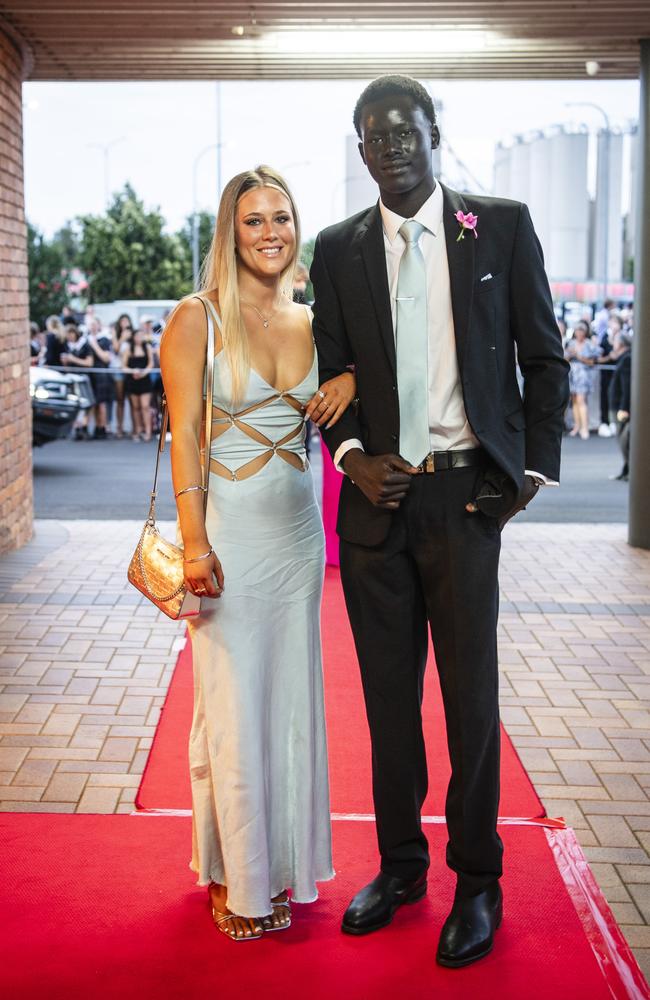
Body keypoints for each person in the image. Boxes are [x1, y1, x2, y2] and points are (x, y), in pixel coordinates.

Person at [308, 75, 569, 968]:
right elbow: (331, 379)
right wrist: (350, 457)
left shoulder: (498, 225)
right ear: (361, 150)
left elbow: (545, 356)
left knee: (468, 706)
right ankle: (401, 866)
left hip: (466, 503)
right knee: (386, 708)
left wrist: (529, 471)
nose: (391, 149)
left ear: (434, 132)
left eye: (404, 133)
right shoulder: (336, 249)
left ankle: (479, 879)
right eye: (373, 138)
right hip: (377, 509)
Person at [160, 166, 354, 942]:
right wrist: (195, 543)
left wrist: (347, 379)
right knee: (233, 709)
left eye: (281, 217)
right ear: (229, 232)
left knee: (288, 706)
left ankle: (281, 865)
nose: (270, 231)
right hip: (227, 538)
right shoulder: (195, 317)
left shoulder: (315, 322)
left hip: (298, 539)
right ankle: (235, 877)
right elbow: (184, 438)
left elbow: (349, 390)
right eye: (253, 221)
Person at [565, 319, 601, 440]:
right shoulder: (571, 344)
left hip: (584, 376)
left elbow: (592, 361)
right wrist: (570, 355)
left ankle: (585, 427)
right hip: (572, 374)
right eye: (577, 331)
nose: (579, 333)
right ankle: (577, 425)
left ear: (585, 332)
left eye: (581, 331)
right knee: (574, 401)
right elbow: (565, 359)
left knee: (581, 401)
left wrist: (578, 356)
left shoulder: (589, 344)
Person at [121, 328, 154, 441]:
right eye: (137, 336)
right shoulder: (128, 349)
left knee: (145, 406)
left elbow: (151, 364)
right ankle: (138, 429)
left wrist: (143, 373)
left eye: (141, 336)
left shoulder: (147, 347)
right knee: (135, 407)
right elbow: (123, 366)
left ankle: (148, 431)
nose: (139, 338)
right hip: (132, 380)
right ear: (133, 337)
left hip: (145, 380)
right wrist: (133, 372)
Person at [608, 331, 632, 481]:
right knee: (624, 441)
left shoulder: (627, 359)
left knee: (625, 441)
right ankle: (626, 470)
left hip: (620, 407)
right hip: (619, 406)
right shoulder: (625, 358)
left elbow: (627, 386)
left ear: (621, 343)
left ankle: (630, 471)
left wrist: (624, 408)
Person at [111, 313, 134, 438]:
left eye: (127, 321)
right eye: (123, 321)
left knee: (132, 400)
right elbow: (115, 349)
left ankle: (133, 428)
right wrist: (122, 338)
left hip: (129, 369)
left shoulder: (133, 334)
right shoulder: (116, 334)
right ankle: (119, 427)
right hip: (118, 369)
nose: (125, 324)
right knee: (120, 400)